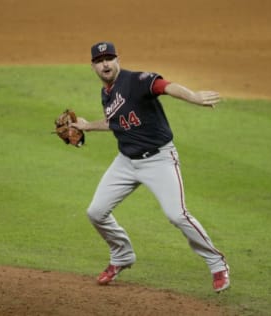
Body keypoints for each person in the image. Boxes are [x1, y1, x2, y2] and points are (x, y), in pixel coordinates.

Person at [71, 41, 230, 292]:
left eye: (109, 58)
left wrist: (194, 98)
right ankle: (122, 257)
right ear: (93, 66)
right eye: (100, 61)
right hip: (125, 162)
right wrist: (87, 126)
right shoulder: (107, 93)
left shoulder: (136, 80)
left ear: (117, 60)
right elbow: (117, 122)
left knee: (177, 215)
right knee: (96, 212)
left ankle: (217, 263)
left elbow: (166, 87)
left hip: (159, 160)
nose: (106, 64)